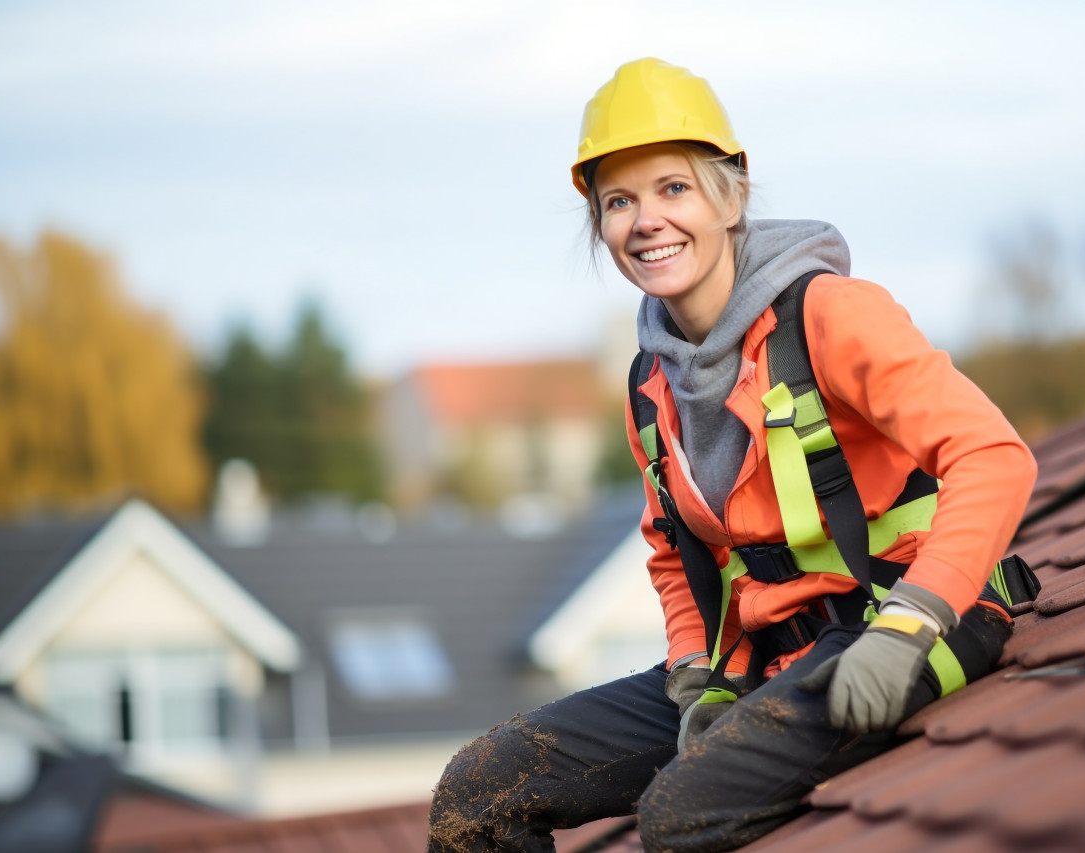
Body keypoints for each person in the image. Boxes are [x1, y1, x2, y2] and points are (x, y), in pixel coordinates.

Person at [427, 58, 1037, 853]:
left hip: (910, 621)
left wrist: (909, 624)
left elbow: (995, 454)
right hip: (768, 655)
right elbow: (672, 554)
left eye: (673, 188)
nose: (646, 220)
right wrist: (691, 678)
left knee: (683, 812)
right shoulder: (651, 380)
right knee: (481, 791)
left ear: (732, 195)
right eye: (619, 201)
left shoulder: (830, 315)